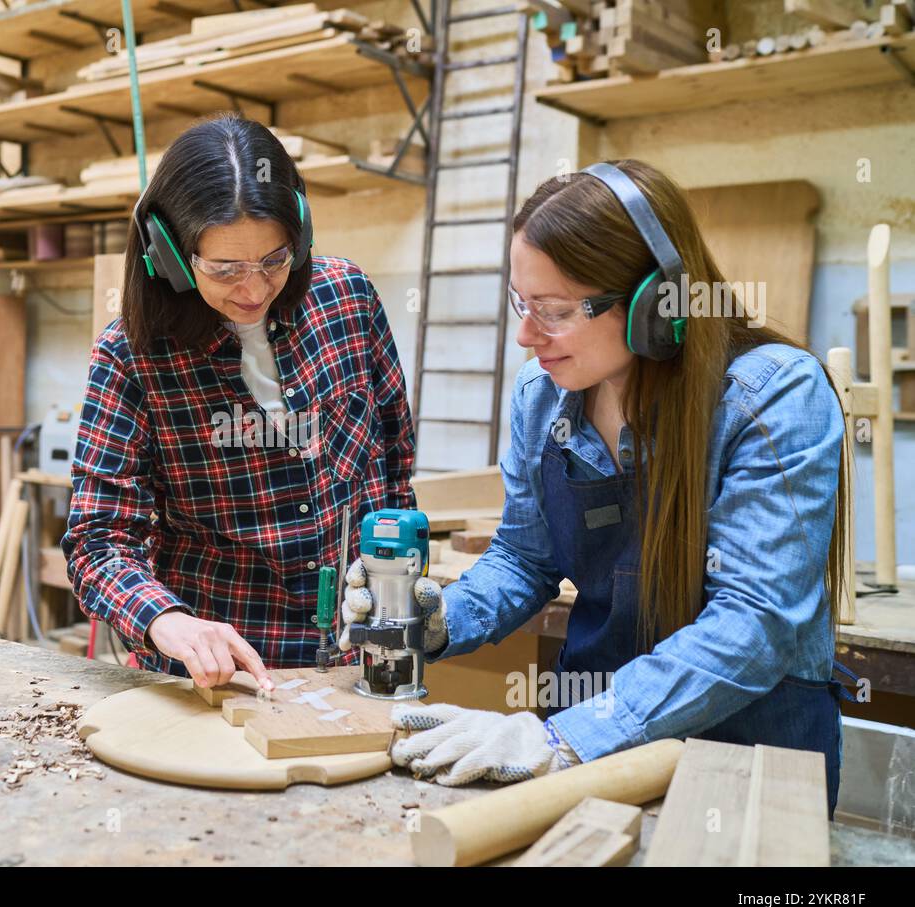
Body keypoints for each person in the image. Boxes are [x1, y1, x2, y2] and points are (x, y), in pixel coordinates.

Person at [344, 159, 854, 813]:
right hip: (586, 751)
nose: (527, 336)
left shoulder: (772, 396)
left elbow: (755, 624)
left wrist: (567, 737)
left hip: (745, 755)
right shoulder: (544, 397)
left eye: (554, 311)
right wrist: (439, 619)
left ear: (652, 304)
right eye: (521, 305)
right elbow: (524, 559)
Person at [62, 114, 439, 693]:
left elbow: (391, 464)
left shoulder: (348, 301)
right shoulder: (130, 356)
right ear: (170, 255)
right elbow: (98, 539)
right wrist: (166, 621)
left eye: (274, 260)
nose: (255, 289)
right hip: (218, 674)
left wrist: (396, 582)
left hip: (354, 660)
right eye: (225, 270)